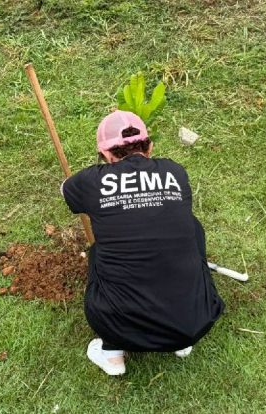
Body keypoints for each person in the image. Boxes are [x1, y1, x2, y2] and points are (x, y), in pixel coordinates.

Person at [61, 110, 225, 376]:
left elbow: (65, 191)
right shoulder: (175, 172)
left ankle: (113, 357)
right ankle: (181, 339)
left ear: (105, 154)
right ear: (149, 147)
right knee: (193, 229)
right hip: (195, 321)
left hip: (119, 325)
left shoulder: (91, 180)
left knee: (98, 252)